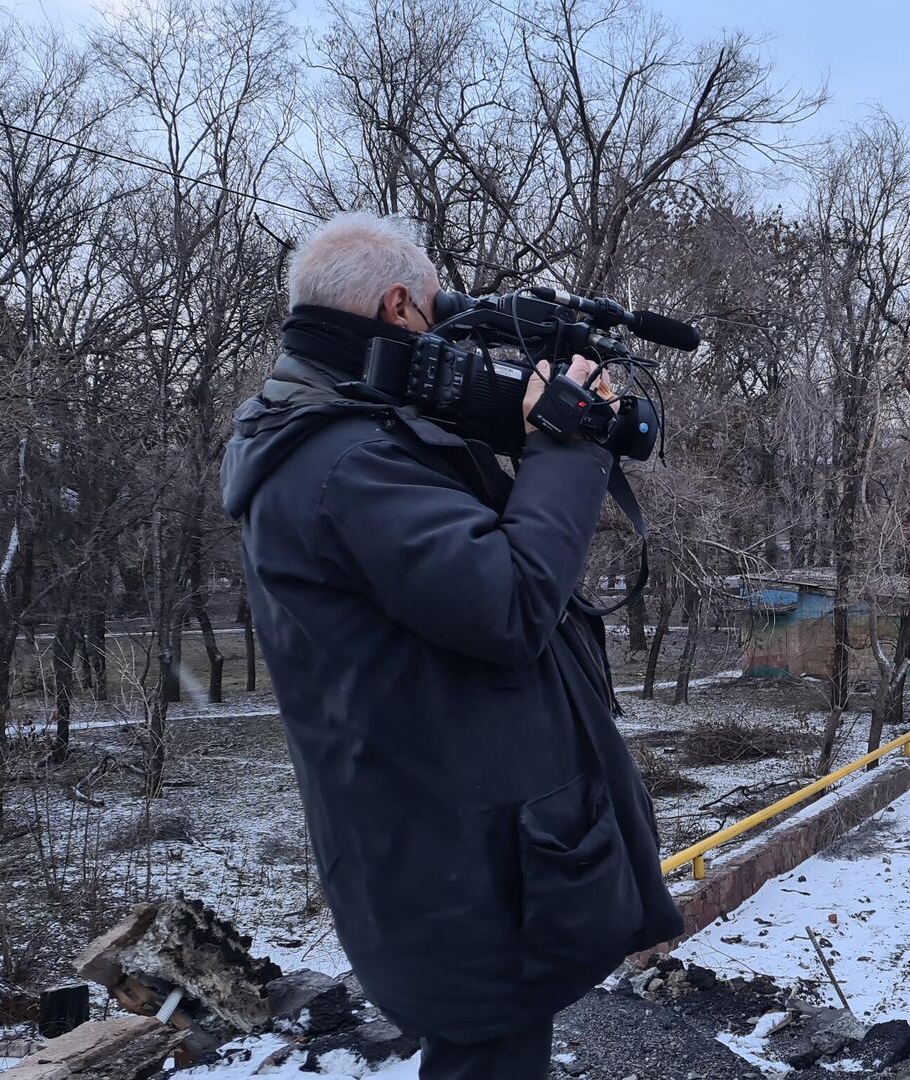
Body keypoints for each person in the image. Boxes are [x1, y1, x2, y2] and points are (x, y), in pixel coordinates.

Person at [221, 213, 681, 1079]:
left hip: (448, 836)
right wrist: (569, 439)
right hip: (464, 869)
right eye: (438, 313)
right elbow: (508, 605)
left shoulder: (332, 431)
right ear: (399, 306)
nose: (447, 333)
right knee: (489, 1053)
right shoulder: (346, 463)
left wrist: (517, 423)